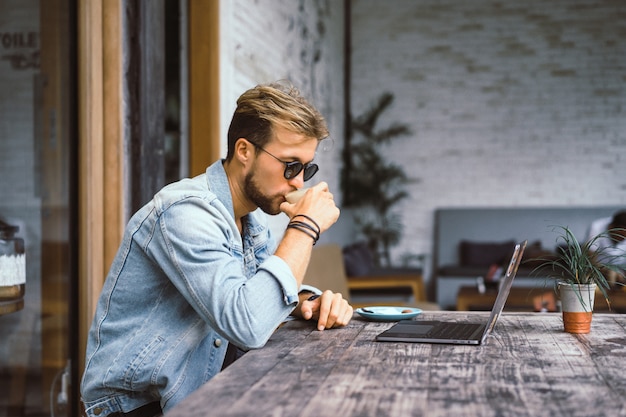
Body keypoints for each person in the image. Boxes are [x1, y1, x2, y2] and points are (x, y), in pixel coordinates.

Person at [81, 81, 353, 417]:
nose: (298, 182)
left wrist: (305, 303)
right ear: (244, 151)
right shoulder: (185, 212)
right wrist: (304, 227)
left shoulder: (251, 223)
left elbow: (250, 294)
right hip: (139, 407)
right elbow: (247, 324)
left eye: (306, 169)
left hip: (203, 394)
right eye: (290, 165)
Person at [586, 209, 626, 283]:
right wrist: (609, 271)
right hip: (599, 274)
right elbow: (589, 259)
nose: (623, 239)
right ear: (611, 227)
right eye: (620, 235)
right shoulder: (597, 227)